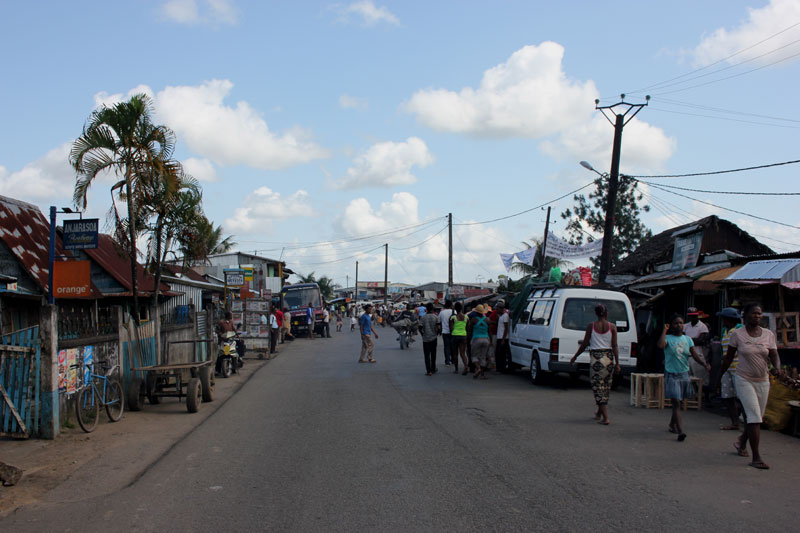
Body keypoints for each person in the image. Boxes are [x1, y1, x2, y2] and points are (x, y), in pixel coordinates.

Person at [720, 303, 783, 469]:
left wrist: (777, 369)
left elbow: (774, 355)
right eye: (754, 313)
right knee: (754, 416)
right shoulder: (737, 335)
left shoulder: (769, 335)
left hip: (763, 380)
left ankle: (741, 442)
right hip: (743, 379)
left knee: (757, 418)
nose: (757, 316)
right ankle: (756, 457)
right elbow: (728, 358)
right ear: (745, 315)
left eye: (759, 314)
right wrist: (718, 377)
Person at [658, 313, 710, 442]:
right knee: (676, 402)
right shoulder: (668, 338)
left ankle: (671, 424)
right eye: (676, 323)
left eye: (681, 323)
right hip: (671, 373)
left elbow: (694, 355)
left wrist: (704, 364)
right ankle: (680, 431)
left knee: (679, 402)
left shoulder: (688, 339)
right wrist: (664, 330)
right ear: (671, 326)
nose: (679, 325)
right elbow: (660, 345)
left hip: (684, 374)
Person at [570, 304, 620, 425]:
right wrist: (617, 363)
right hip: (608, 359)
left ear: (596, 314)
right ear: (606, 314)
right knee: (606, 387)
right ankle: (599, 413)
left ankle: (606, 418)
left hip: (596, 360)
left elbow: (585, 344)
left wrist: (575, 356)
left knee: (598, 387)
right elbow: (614, 346)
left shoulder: (591, 326)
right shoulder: (612, 327)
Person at [684, 307, 711, 399]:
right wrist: (693, 339)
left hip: (698, 354)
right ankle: (694, 396)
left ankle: (705, 398)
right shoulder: (685, 326)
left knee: (701, 378)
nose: (692, 318)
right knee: (689, 378)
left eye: (694, 316)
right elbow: (682, 339)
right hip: (687, 355)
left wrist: (688, 339)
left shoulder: (702, 326)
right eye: (690, 316)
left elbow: (701, 340)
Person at [468, 304, 491, 379]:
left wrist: (467, 339)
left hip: (476, 339)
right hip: (486, 339)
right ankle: (482, 374)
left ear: (476, 312)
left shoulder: (473, 320)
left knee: (474, 356)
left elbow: (469, 331)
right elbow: (489, 331)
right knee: (483, 357)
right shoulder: (487, 319)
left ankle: (478, 368)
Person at [420, 303, 440, 376]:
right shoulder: (436, 317)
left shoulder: (423, 317)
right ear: (432, 309)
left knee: (427, 355)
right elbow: (438, 327)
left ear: (426, 309)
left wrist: (423, 334)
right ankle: (433, 368)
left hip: (426, 339)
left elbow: (420, 327)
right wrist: (436, 334)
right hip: (434, 338)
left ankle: (429, 371)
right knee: (433, 354)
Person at [449, 302, 469, 375]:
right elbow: (467, 328)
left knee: (455, 353)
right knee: (463, 353)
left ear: (455, 309)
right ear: (461, 308)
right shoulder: (466, 317)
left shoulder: (453, 317)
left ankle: (456, 369)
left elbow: (451, 328)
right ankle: (466, 366)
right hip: (463, 335)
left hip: (455, 335)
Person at [490, 301, 510, 372]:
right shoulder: (501, 316)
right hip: (499, 337)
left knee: (502, 354)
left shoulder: (505, 316)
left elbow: (506, 328)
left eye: (497, 309)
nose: (496, 311)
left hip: (503, 338)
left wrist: (503, 339)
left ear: (501, 309)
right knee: (498, 354)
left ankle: (502, 368)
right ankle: (499, 368)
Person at [439, 300, 454, 366]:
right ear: (451, 305)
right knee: (453, 346)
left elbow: (439, 321)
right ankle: (453, 360)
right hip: (453, 332)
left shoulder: (442, 312)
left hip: (445, 332)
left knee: (446, 346)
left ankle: (447, 361)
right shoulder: (454, 312)